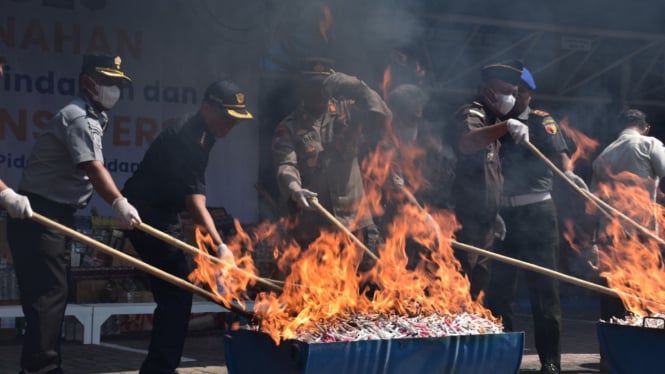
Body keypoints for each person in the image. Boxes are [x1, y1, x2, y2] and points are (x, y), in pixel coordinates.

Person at [7, 54, 141, 374]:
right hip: (38, 214)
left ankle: (45, 366)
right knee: (47, 299)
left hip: (56, 215)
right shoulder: (78, 116)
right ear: (87, 82)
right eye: (108, 82)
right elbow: (93, 168)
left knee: (55, 296)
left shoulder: (92, 116)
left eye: (118, 84)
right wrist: (118, 202)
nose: (114, 89)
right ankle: (42, 369)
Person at [121, 79, 251, 373]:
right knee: (177, 293)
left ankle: (160, 368)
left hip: (161, 213)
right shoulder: (190, 138)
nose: (230, 125)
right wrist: (219, 248)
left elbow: (192, 201)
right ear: (207, 107)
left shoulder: (204, 132)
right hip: (146, 215)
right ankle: (159, 369)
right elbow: (195, 204)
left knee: (178, 291)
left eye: (235, 120)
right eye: (227, 117)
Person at [484, 66, 587, 374]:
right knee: (499, 291)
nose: (514, 99)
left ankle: (551, 362)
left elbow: (559, 154)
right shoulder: (494, 121)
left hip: (537, 212)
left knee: (544, 291)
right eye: (510, 93)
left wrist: (567, 172)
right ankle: (503, 359)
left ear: (528, 95)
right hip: (502, 214)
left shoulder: (541, 120)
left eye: (519, 94)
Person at [272, 58, 391, 262]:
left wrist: (355, 85)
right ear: (302, 88)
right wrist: (295, 189)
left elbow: (383, 114)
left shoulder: (349, 111)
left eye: (323, 86)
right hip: (313, 224)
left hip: (353, 221)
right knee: (314, 288)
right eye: (313, 86)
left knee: (352, 287)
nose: (319, 92)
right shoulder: (289, 127)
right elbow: (286, 166)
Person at [448, 60, 530, 299]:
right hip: (463, 220)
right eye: (505, 92)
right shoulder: (472, 113)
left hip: (485, 221)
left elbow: (489, 174)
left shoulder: (493, 123)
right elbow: (467, 142)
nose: (511, 99)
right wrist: (507, 125)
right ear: (486, 90)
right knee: (460, 283)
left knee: (478, 286)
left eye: (514, 93)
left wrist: (494, 213)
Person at [590, 109, 665, 322]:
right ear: (645, 128)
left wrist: (593, 242)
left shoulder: (603, 156)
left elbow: (593, 203)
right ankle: (647, 342)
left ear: (618, 128)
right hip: (643, 233)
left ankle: (611, 346)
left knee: (614, 292)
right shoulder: (649, 144)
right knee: (647, 292)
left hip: (610, 236)